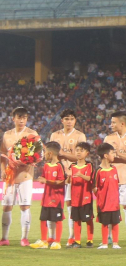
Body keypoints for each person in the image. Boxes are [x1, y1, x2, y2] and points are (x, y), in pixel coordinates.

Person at [1, 107, 40, 247]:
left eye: (24, 117)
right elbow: (2, 155)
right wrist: (2, 171)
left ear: (27, 119)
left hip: (25, 175)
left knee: (25, 206)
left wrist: (26, 161)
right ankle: (4, 238)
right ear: (13, 118)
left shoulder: (32, 133)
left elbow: (38, 155)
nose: (22, 120)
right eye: (19, 117)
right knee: (6, 206)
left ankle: (24, 237)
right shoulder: (7, 135)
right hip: (10, 176)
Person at [49, 109, 87, 246]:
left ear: (75, 120)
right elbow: (50, 155)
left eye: (71, 119)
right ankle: (51, 237)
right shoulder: (54, 135)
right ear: (62, 121)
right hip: (57, 175)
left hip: (73, 174)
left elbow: (80, 156)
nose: (69, 121)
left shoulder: (80, 136)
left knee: (71, 205)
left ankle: (72, 237)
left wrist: (62, 155)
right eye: (66, 119)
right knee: (53, 205)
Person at [104, 111, 126, 246]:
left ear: (122, 123)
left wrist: (116, 154)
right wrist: (123, 158)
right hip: (110, 179)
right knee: (109, 208)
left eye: (114, 122)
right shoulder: (108, 139)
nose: (111, 124)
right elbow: (105, 158)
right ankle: (108, 236)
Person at [30, 142, 66, 250]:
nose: (44, 154)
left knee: (57, 220)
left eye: (45, 152)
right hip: (46, 198)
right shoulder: (46, 165)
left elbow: (61, 181)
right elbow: (43, 177)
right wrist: (41, 179)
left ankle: (57, 242)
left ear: (50, 153)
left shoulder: (59, 166)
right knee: (43, 219)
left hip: (56, 198)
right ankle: (44, 241)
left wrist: (47, 181)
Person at [94, 143, 122, 249]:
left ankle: (115, 243)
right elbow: (94, 187)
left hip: (114, 203)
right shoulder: (98, 171)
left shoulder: (114, 169)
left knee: (115, 222)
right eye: (112, 153)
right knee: (104, 223)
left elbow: (117, 184)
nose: (114, 155)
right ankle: (105, 243)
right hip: (104, 203)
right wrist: (101, 197)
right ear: (105, 155)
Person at [68, 142, 95, 249]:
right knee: (76, 219)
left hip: (86, 197)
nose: (79, 152)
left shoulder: (89, 165)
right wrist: (68, 177)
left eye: (81, 150)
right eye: (77, 150)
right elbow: (68, 181)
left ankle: (90, 240)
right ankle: (77, 241)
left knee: (88, 219)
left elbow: (89, 179)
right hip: (75, 198)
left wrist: (80, 175)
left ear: (87, 153)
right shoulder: (72, 166)